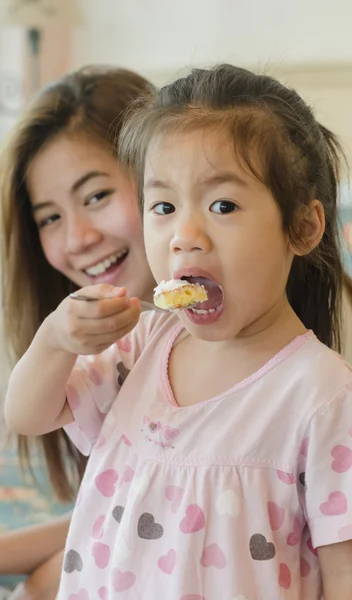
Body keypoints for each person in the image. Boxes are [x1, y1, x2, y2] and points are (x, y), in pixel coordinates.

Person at [4, 63, 352, 599]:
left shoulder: (320, 390)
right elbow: (28, 413)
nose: (185, 235)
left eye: (223, 205)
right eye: (163, 206)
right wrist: (54, 338)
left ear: (303, 227)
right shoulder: (141, 344)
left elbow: (351, 576)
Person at [0, 65, 156, 599]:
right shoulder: (110, 337)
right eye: (49, 218)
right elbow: (144, 507)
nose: (78, 240)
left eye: (94, 196)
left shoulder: (265, 308)